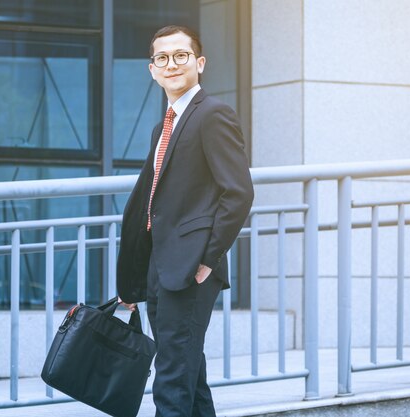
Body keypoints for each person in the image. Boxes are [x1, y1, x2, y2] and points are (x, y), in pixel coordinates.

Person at [116, 25, 254, 417]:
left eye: (181, 56)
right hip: (163, 269)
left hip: (191, 268)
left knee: (172, 381)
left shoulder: (213, 115)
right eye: (163, 58)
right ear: (152, 70)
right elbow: (152, 203)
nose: (171, 64)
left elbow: (238, 193)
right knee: (188, 379)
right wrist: (136, 277)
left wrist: (208, 259)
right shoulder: (165, 125)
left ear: (200, 63)